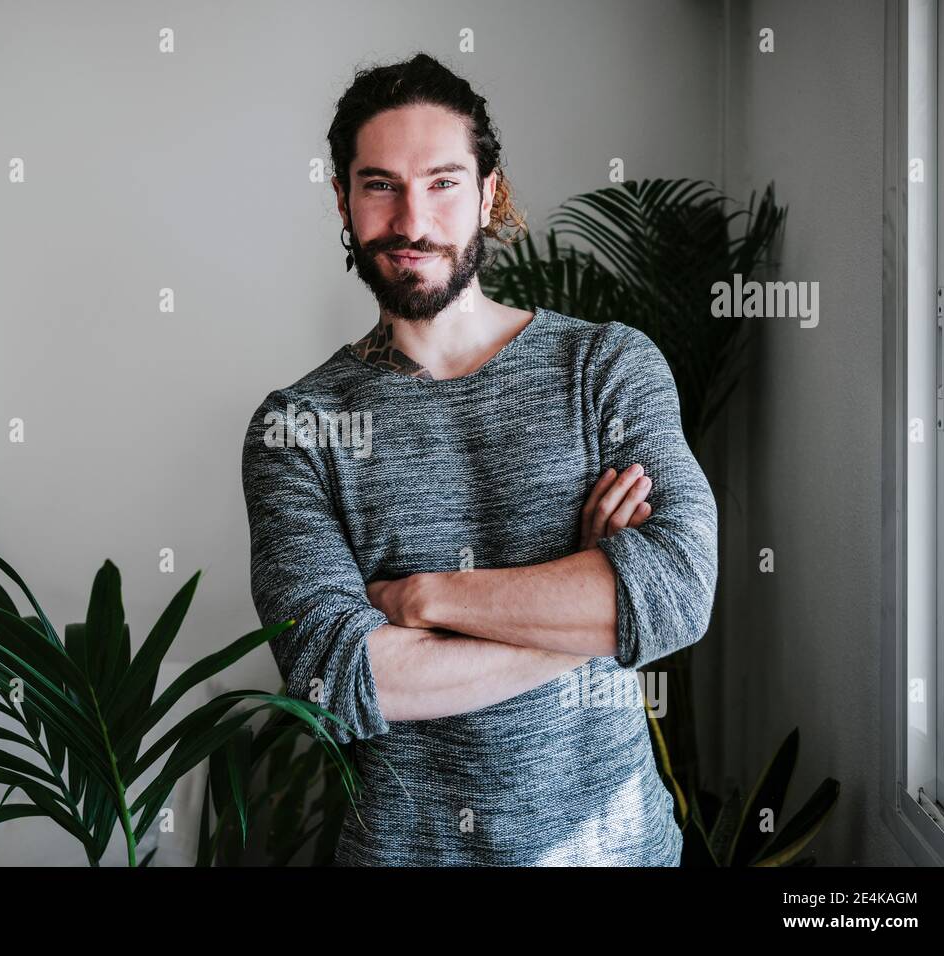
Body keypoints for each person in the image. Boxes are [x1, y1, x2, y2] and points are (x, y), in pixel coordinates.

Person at [240, 52, 718, 866]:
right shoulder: (298, 426)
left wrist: (424, 598)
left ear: (489, 190)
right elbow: (342, 676)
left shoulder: (606, 367)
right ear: (344, 201)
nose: (411, 219)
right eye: (380, 183)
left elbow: (677, 591)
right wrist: (588, 601)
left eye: (443, 181)